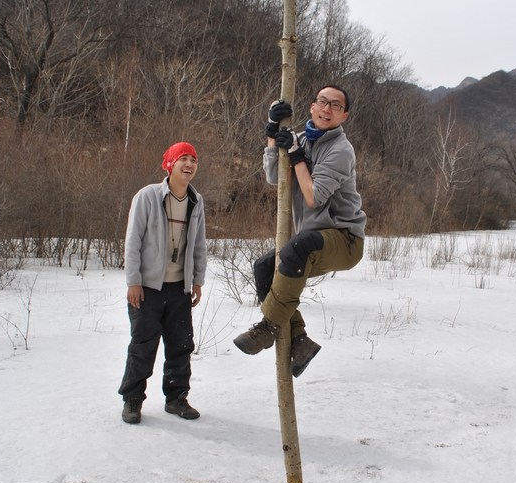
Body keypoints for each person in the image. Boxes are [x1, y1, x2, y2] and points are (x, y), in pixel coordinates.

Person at [233, 84, 366, 376]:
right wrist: (272, 132)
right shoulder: (301, 140)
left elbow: (313, 196)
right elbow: (274, 177)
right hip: (312, 240)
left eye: (336, 105)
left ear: (344, 116)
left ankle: (268, 327)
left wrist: (296, 156)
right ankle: (300, 340)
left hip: (345, 239)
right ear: (312, 106)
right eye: (322, 102)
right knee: (264, 267)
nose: (327, 109)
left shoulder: (341, 150)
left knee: (298, 246)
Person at [119, 142, 207, 424]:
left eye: (194, 160)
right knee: (143, 346)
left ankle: (176, 398)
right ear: (170, 163)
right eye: (183, 158)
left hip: (179, 287)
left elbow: (199, 244)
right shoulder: (147, 196)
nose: (189, 164)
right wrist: (133, 281)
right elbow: (133, 241)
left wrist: (197, 280)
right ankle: (133, 399)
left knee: (181, 345)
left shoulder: (196, 201)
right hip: (148, 288)